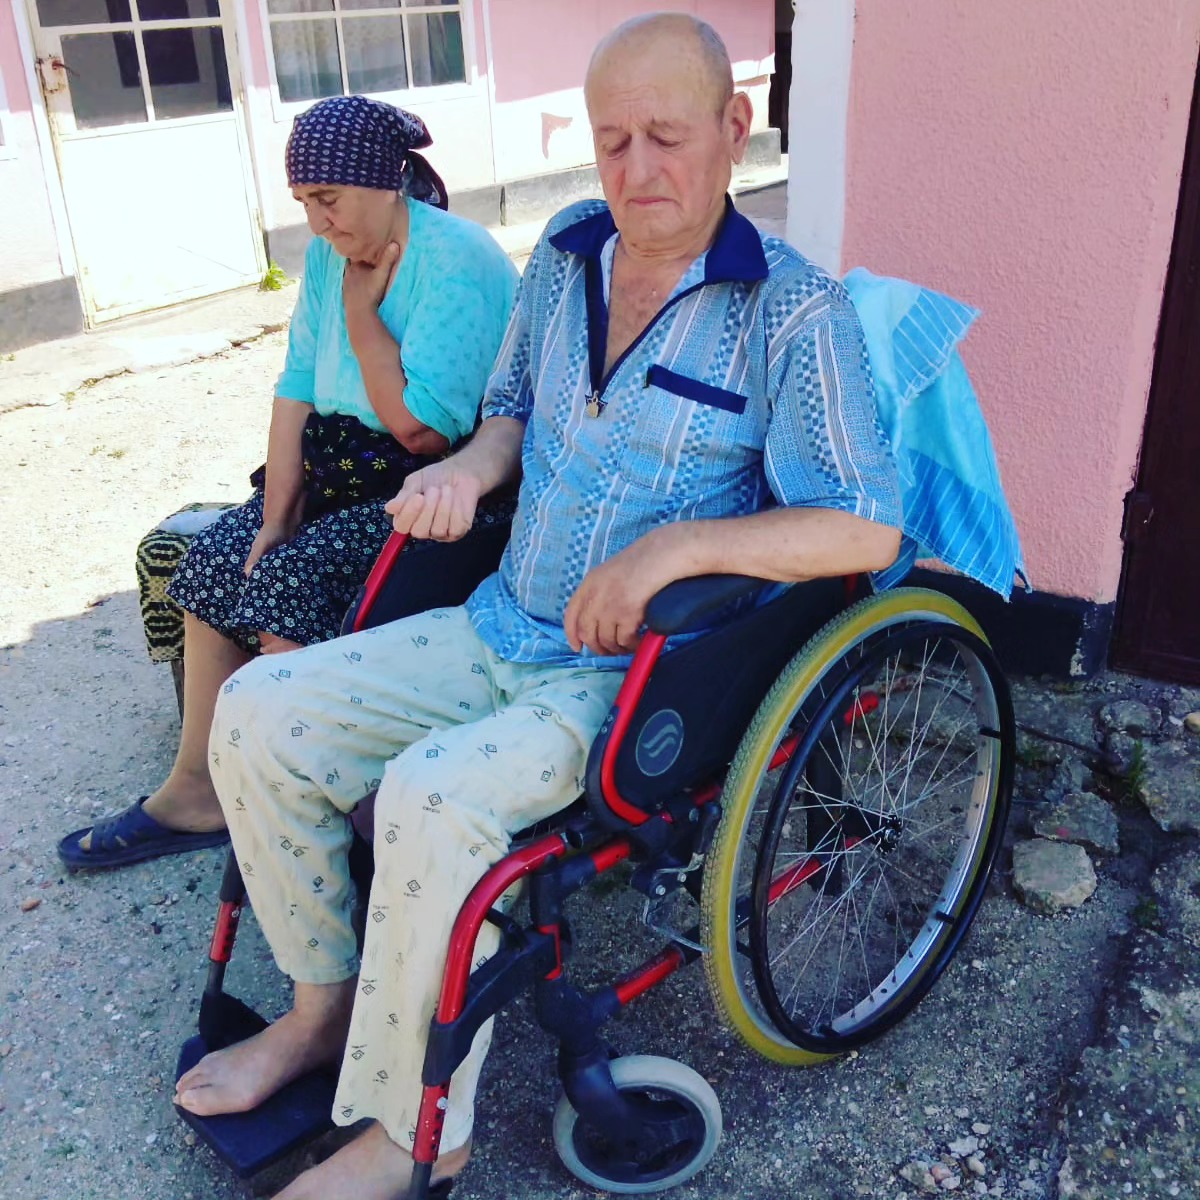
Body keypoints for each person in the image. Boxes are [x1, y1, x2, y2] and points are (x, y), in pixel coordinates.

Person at [174, 14, 902, 1200]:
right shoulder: (566, 254)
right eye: (612, 140)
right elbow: (509, 410)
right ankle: (322, 1014)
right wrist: (467, 470)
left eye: (667, 136)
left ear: (735, 130)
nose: (636, 172)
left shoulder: (792, 315)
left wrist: (671, 550)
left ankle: (422, 1139)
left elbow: (865, 524)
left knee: (429, 798)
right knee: (256, 710)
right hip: (500, 619)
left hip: (627, 685)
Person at [57, 96, 519, 872]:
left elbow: (423, 431)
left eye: (329, 200)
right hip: (338, 468)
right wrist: (274, 513)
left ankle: (292, 808)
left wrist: (362, 314)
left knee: (290, 580)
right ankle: (198, 788)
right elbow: (296, 385)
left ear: (384, 182)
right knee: (219, 559)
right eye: (305, 202)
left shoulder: (458, 259)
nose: (317, 223)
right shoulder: (328, 259)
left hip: (427, 489)